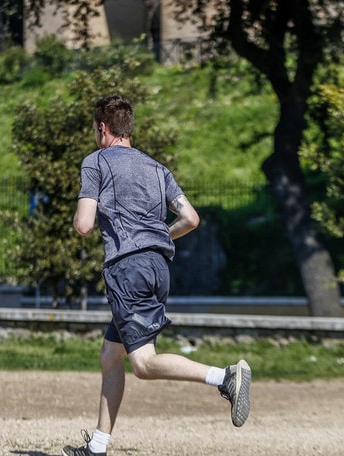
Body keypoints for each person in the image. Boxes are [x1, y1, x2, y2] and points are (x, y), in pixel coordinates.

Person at [63, 95, 252, 456]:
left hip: (127, 271)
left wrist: (81, 216)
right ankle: (98, 446)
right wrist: (156, 235)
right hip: (157, 268)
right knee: (110, 356)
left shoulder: (95, 162)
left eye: (94, 129)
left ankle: (225, 376)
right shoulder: (156, 168)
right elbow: (190, 218)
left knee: (144, 364)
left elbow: (84, 225)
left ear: (102, 128)